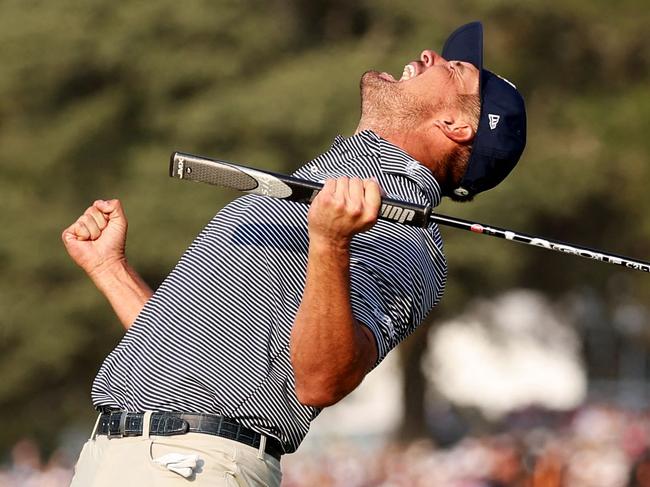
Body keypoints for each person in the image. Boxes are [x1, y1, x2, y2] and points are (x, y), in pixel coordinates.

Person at [62, 21, 526, 486]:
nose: (429, 55)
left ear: (456, 126)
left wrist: (330, 243)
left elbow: (322, 380)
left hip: (189, 465)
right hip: (121, 457)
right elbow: (194, 354)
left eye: (455, 69)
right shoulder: (329, 180)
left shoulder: (408, 238)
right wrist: (111, 270)